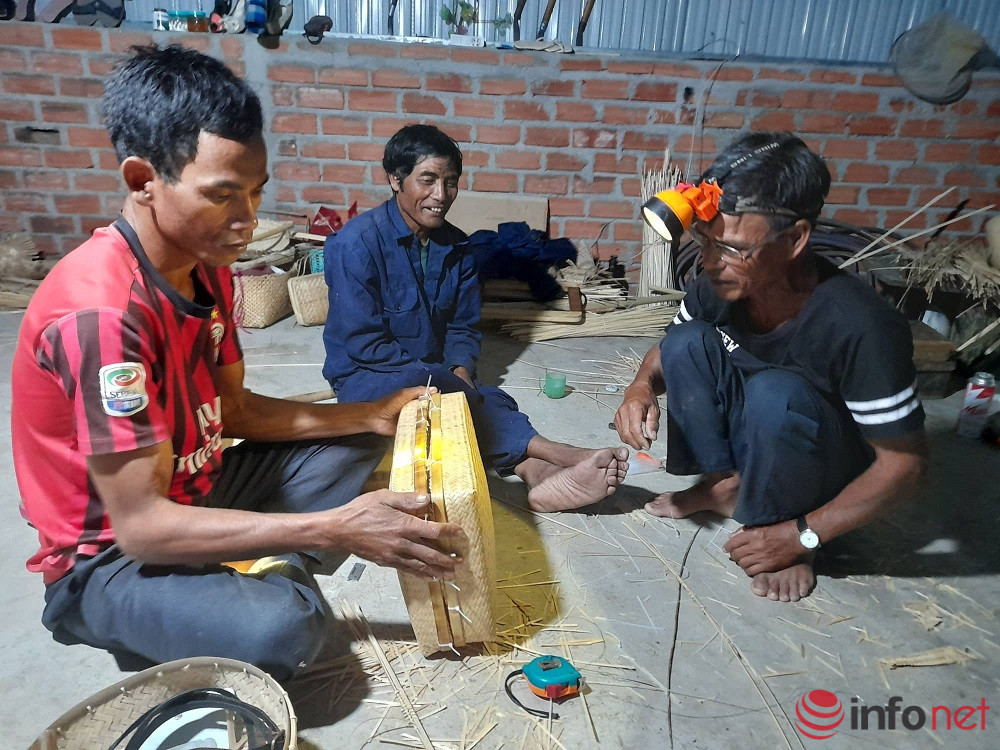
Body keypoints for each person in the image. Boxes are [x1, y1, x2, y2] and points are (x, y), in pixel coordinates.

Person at [10, 45, 467, 681]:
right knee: (287, 627)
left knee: (359, 442)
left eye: (256, 193)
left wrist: (370, 416)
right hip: (111, 554)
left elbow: (235, 410)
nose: (247, 221)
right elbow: (140, 528)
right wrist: (333, 530)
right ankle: (250, 570)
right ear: (143, 181)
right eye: (223, 194)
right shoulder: (102, 319)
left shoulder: (207, 267)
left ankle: (251, 554)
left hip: (195, 484)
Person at [614, 132, 928, 603]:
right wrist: (639, 388)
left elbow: (905, 468)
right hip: (760, 433)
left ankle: (781, 520)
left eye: (735, 248)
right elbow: (666, 351)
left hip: (821, 461)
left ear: (796, 238)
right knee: (684, 341)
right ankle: (723, 484)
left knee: (774, 393)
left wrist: (802, 534)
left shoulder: (861, 325)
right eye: (706, 242)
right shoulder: (718, 283)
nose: (712, 263)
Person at [322, 124, 628, 512]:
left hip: (434, 374)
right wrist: (447, 382)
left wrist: (460, 369)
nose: (440, 195)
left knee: (477, 399)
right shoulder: (356, 244)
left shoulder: (459, 248)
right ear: (395, 180)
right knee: (469, 399)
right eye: (428, 180)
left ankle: (536, 472)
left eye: (451, 182)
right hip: (368, 378)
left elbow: (461, 327)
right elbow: (365, 345)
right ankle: (557, 452)